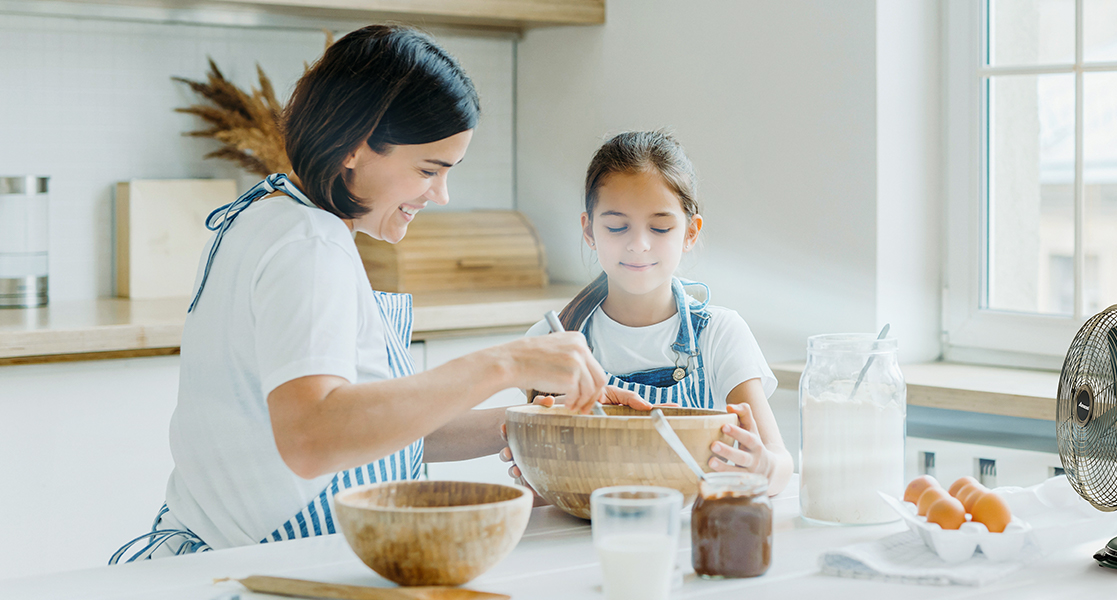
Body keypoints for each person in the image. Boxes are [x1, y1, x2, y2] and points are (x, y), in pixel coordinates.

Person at [111, 24, 644, 563]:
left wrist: (528, 423)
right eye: (428, 170)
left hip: (223, 560)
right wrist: (507, 364)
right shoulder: (310, 245)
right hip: (270, 567)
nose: (440, 194)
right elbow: (312, 437)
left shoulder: (268, 214)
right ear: (355, 146)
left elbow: (370, 435)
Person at [505, 131, 794, 495]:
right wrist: (536, 475)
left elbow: (780, 463)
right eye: (616, 226)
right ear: (589, 231)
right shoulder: (552, 340)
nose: (638, 244)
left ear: (690, 233)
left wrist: (765, 467)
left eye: (660, 227)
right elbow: (543, 491)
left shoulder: (720, 334)